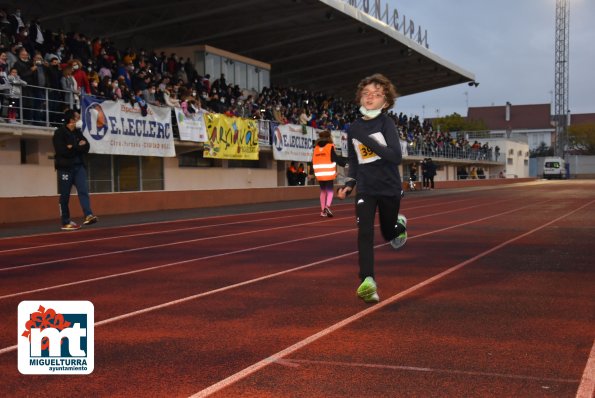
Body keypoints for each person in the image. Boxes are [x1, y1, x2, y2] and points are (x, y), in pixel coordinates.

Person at [337, 73, 407, 303]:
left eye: (376, 95)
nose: (370, 97)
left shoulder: (386, 123)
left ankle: (399, 226)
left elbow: (395, 156)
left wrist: (366, 139)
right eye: (366, 93)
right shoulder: (355, 128)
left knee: (388, 233)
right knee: (365, 232)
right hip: (366, 188)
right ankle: (368, 281)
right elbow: (354, 160)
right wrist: (349, 184)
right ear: (360, 98)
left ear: (385, 102)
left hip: (388, 187)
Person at [52, 109, 98, 231]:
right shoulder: (59, 133)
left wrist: (73, 147)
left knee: (83, 191)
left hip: (79, 168)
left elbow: (87, 147)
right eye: (77, 117)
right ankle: (65, 221)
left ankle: (88, 215)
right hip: (65, 169)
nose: (79, 120)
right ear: (71, 120)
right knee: (65, 196)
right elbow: (63, 151)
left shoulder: (78, 133)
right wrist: (78, 146)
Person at [312, 130, 344, 217]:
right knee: (330, 191)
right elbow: (335, 158)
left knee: (323, 191)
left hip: (319, 173)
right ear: (329, 137)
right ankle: (327, 206)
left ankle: (323, 211)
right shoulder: (330, 146)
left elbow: (314, 160)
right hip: (328, 173)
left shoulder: (316, 148)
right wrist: (344, 163)